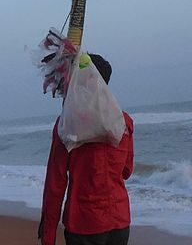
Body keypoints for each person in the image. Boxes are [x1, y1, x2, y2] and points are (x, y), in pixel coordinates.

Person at [39, 54, 134, 245]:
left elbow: (55, 184)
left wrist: (48, 236)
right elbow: (126, 170)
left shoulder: (67, 124)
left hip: (83, 224)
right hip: (120, 221)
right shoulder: (123, 121)